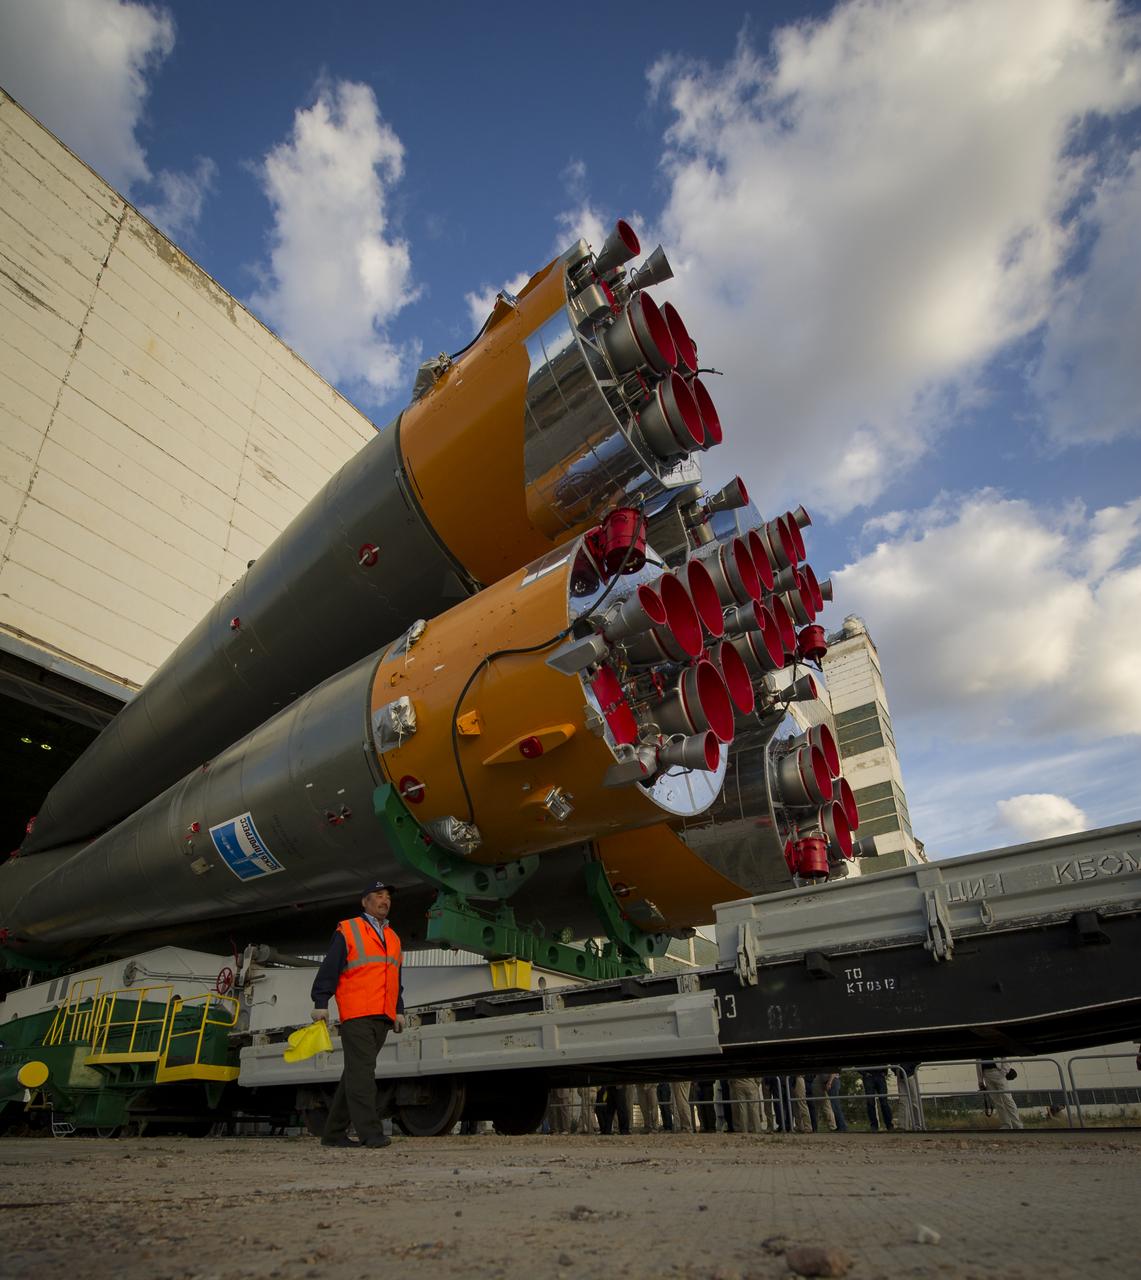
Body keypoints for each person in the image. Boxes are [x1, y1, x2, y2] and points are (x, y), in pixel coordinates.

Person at [311, 880, 405, 1148]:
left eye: (388, 896)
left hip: (383, 1016)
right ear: (364, 901)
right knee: (364, 1074)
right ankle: (371, 1133)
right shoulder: (349, 929)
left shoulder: (394, 938)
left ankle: (333, 1134)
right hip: (357, 1014)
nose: (384, 900)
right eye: (378, 895)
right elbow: (330, 968)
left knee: (354, 1074)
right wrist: (321, 1002)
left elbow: (395, 978)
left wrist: (398, 1010)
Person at [977, 1057, 1024, 1130]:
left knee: (1007, 1099)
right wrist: (980, 1081)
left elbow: (1005, 1058)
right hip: (986, 1074)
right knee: (997, 1102)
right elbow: (977, 1064)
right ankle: (1006, 1124)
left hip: (998, 1071)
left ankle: (1017, 1124)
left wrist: (1004, 1071)